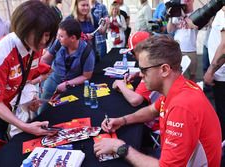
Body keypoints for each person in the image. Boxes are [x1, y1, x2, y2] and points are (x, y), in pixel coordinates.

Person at [94, 35, 222, 166]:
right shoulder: (180, 87)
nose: (141, 75)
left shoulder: (181, 106)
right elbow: (151, 110)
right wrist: (123, 120)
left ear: (165, 70)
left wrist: (120, 147)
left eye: (144, 70)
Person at [0, 0, 60, 143]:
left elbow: (23, 80)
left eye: (48, 35)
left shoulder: (34, 48)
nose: (45, 41)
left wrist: (29, 102)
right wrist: (25, 126)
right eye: (42, 34)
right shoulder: (1, 52)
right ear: (25, 28)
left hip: (6, 109)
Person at [40, 18, 95, 103]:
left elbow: (86, 76)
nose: (58, 38)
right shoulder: (58, 43)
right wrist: (38, 78)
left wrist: (67, 84)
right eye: (58, 35)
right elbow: (46, 59)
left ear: (73, 38)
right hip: (54, 79)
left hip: (73, 84)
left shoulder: (87, 52)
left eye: (61, 36)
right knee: (42, 107)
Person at [112, 31, 159, 107]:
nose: (133, 56)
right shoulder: (158, 59)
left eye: (132, 52)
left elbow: (135, 100)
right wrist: (137, 73)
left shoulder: (150, 66)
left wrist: (120, 84)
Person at [204, 8, 225, 141]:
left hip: (222, 75)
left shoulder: (223, 13)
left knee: (223, 117)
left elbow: (224, 46)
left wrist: (211, 71)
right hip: (221, 74)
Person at [167, 0, 198, 81]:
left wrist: (184, 16)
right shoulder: (176, 14)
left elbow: (194, 26)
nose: (186, 2)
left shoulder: (196, 14)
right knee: (177, 75)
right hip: (178, 49)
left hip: (191, 49)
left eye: (188, 1)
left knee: (192, 75)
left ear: (192, 1)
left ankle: (192, 93)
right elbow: (169, 30)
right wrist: (170, 17)